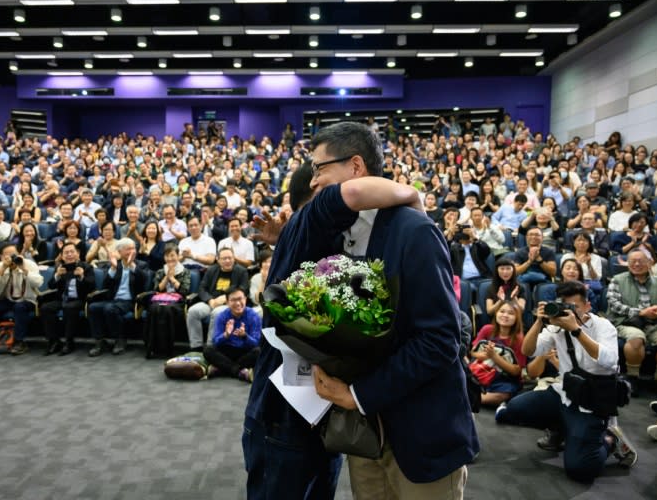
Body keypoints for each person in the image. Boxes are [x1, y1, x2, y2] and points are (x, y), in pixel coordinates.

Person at [245, 123, 476, 500]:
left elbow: (439, 341)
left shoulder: (412, 229)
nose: (314, 179)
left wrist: (360, 395)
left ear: (355, 166)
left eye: (320, 168)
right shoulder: (336, 236)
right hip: (361, 440)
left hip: (417, 434)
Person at [495, 282, 638, 481]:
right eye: (565, 307)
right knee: (516, 408)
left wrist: (576, 330)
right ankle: (559, 429)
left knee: (580, 469)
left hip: (592, 400)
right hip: (564, 392)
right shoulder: (556, 328)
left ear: (588, 306)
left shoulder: (603, 326)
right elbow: (528, 351)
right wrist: (539, 321)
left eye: (574, 308)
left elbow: (609, 360)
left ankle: (610, 440)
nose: (568, 313)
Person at [606, 247, 657, 390]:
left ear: (650, 263)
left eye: (641, 261)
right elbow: (614, 305)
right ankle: (633, 377)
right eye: (632, 261)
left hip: (656, 324)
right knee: (636, 337)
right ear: (627, 264)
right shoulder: (617, 280)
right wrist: (641, 312)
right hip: (626, 322)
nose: (636, 264)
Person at [87, 238, 149, 357]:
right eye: (128, 249)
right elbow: (105, 286)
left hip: (130, 301)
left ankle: (120, 338)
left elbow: (144, 281)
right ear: (120, 252)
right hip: (113, 299)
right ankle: (100, 340)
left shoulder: (141, 264)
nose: (132, 251)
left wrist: (131, 265)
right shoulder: (115, 264)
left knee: (110, 309)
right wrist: (113, 268)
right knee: (93, 307)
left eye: (133, 248)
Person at [0, 242, 43, 356]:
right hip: (7, 299)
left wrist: (24, 269)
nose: (11, 257)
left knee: (19, 307)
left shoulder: (29, 264)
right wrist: (3, 269)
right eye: (7, 254)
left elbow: (38, 282)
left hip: (27, 299)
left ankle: (19, 342)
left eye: (13, 254)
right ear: (1, 257)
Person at [186, 247, 249, 352]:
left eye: (230, 258)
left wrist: (227, 298)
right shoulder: (211, 270)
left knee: (217, 313)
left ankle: (211, 348)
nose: (227, 261)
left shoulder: (241, 271)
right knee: (193, 311)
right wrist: (210, 300)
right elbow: (202, 288)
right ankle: (196, 347)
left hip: (229, 304)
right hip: (211, 302)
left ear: (234, 258)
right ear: (218, 260)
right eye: (224, 258)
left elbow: (244, 289)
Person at [40, 241, 96, 356]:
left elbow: (92, 286)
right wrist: (57, 276)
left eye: (72, 252)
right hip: (62, 299)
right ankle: (54, 341)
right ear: (62, 256)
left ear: (78, 254)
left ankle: (69, 342)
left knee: (69, 308)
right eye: (66, 253)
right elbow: (51, 285)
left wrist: (82, 276)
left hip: (79, 299)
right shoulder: (60, 268)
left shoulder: (86, 267)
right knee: (46, 308)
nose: (69, 255)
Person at [471, 300, 526, 406]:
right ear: (496, 313)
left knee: (503, 395)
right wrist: (485, 355)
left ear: (517, 318)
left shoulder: (519, 339)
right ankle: (471, 395)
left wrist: (494, 357)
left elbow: (516, 371)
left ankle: (471, 399)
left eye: (510, 313)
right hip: (482, 371)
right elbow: (473, 352)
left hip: (504, 378)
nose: (505, 315)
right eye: (502, 311)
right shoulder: (487, 329)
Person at [204, 286, 262, 381]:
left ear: (245, 299)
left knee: (259, 352)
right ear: (227, 302)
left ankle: (222, 369)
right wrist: (226, 335)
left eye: (240, 299)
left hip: (245, 351)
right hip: (227, 350)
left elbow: (256, 343)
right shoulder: (222, 316)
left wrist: (245, 336)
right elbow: (216, 342)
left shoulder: (254, 316)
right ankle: (240, 371)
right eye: (233, 300)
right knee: (208, 350)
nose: (238, 303)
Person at [145, 244, 191, 358]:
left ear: (178, 256)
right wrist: (166, 277)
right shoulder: (160, 271)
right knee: (154, 308)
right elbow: (156, 289)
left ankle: (167, 348)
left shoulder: (185, 271)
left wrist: (172, 278)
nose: (170, 259)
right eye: (167, 256)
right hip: (161, 299)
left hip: (177, 302)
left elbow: (184, 291)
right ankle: (152, 347)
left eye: (172, 255)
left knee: (167, 309)